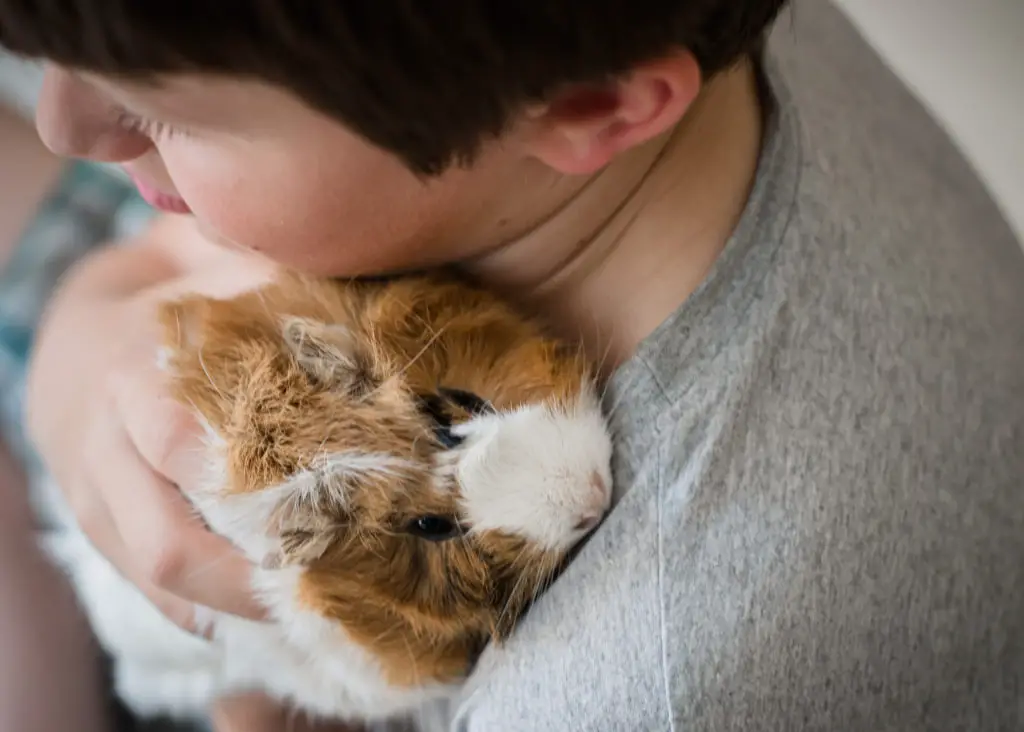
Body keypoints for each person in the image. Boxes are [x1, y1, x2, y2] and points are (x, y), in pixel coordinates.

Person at [0, 1, 1022, 730]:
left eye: (169, 109)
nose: (65, 118)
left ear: (594, 108)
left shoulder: (633, 685)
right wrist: (86, 334)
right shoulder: (575, 40)